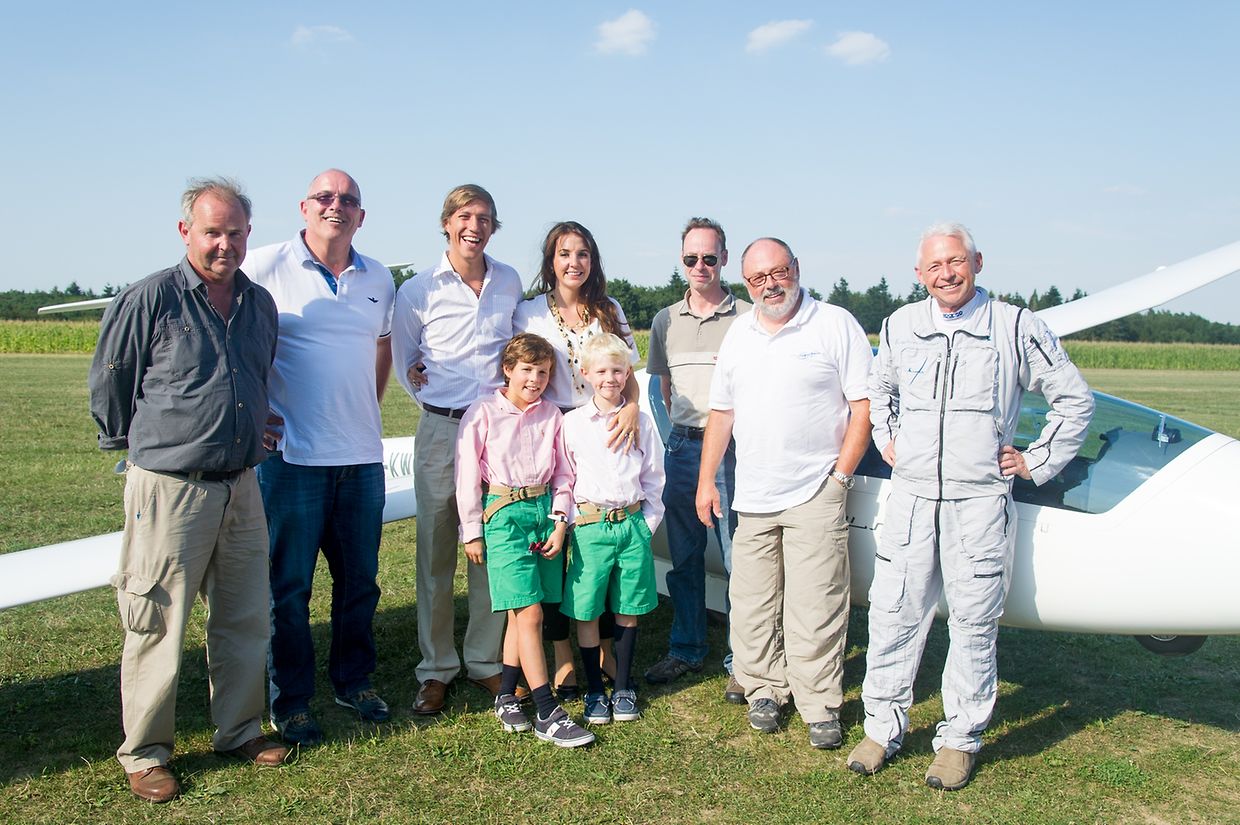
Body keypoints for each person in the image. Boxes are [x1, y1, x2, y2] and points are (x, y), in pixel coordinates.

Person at [849, 222, 1094, 789]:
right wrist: (888, 439)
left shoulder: (1015, 326)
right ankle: (881, 728)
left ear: (977, 263)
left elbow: (1074, 399)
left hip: (978, 503)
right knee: (893, 614)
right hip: (912, 498)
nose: (946, 274)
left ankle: (959, 740)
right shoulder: (901, 325)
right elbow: (880, 388)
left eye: (956, 261)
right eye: (934, 266)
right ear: (919, 274)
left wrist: (1036, 459)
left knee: (973, 624)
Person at [89, 177, 288, 803]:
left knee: (245, 616)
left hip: (242, 485)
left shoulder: (258, 304)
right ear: (186, 232)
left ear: (248, 235)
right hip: (169, 489)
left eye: (235, 233)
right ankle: (146, 753)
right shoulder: (150, 298)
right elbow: (112, 382)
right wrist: (145, 452)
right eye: (212, 232)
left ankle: (240, 729)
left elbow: (255, 377)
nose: (224, 244)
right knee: (156, 621)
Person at [696, 237, 872, 750]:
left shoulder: (835, 324)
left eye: (778, 272)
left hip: (816, 489)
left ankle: (819, 704)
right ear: (746, 284)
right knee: (751, 602)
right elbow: (722, 413)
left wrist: (839, 478)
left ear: (796, 267)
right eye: (757, 278)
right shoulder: (739, 334)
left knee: (816, 604)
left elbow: (862, 407)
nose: (770, 285)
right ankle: (764, 689)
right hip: (752, 494)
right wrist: (706, 480)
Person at [242, 169, 395, 746]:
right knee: (289, 588)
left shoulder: (378, 275)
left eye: (348, 200)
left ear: (361, 215)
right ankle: (292, 700)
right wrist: (255, 410)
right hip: (291, 460)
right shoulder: (263, 265)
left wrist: (365, 406)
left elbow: (382, 344)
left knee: (360, 583)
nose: (337, 206)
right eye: (325, 197)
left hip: (361, 457)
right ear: (304, 207)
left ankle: (353, 681)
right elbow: (231, 337)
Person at [392, 184, 524, 714]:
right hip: (442, 429)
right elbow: (405, 361)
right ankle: (436, 668)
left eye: (485, 218)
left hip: (498, 433)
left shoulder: (509, 281)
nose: (475, 226)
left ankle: (484, 661)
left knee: (490, 544)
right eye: (465, 216)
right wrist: (433, 402)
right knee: (437, 549)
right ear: (447, 222)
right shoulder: (417, 290)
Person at [513, 220, 640, 699]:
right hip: (549, 430)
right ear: (551, 261)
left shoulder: (610, 309)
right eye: (564, 253)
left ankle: (604, 646)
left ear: (593, 260)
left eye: (583, 253)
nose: (574, 262)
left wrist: (631, 406)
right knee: (555, 543)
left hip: (602, 428)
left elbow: (628, 371)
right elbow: (516, 368)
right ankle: (562, 652)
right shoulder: (528, 312)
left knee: (594, 544)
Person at [454, 333, 595, 747]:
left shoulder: (552, 415)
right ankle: (547, 710)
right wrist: (472, 530)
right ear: (508, 370)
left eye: (543, 372)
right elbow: (466, 475)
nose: (535, 379)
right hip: (503, 516)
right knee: (529, 612)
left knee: (524, 613)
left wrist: (559, 521)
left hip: (544, 514)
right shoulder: (483, 413)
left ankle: (505, 696)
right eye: (527, 370)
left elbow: (564, 473)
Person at [644, 217, 751, 702]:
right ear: (682, 260)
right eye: (692, 258)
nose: (701, 266)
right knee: (684, 557)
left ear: (724, 259)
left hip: (735, 451)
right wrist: (680, 436)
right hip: (684, 448)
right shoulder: (665, 320)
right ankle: (686, 648)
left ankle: (741, 660)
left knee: (738, 559)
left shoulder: (748, 317)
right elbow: (664, 388)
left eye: (710, 257)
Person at [561, 334, 665, 724]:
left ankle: (622, 687)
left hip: (632, 525)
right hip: (590, 527)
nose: (610, 378)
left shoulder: (642, 422)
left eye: (618, 370)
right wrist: (574, 522)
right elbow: (566, 477)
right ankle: (594, 690)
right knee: (587, 609)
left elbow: (654, 476)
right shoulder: (573, 424)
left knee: (628, 607)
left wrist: (646, 525)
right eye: (602, 371)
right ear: (585, 374)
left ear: (627, 374)